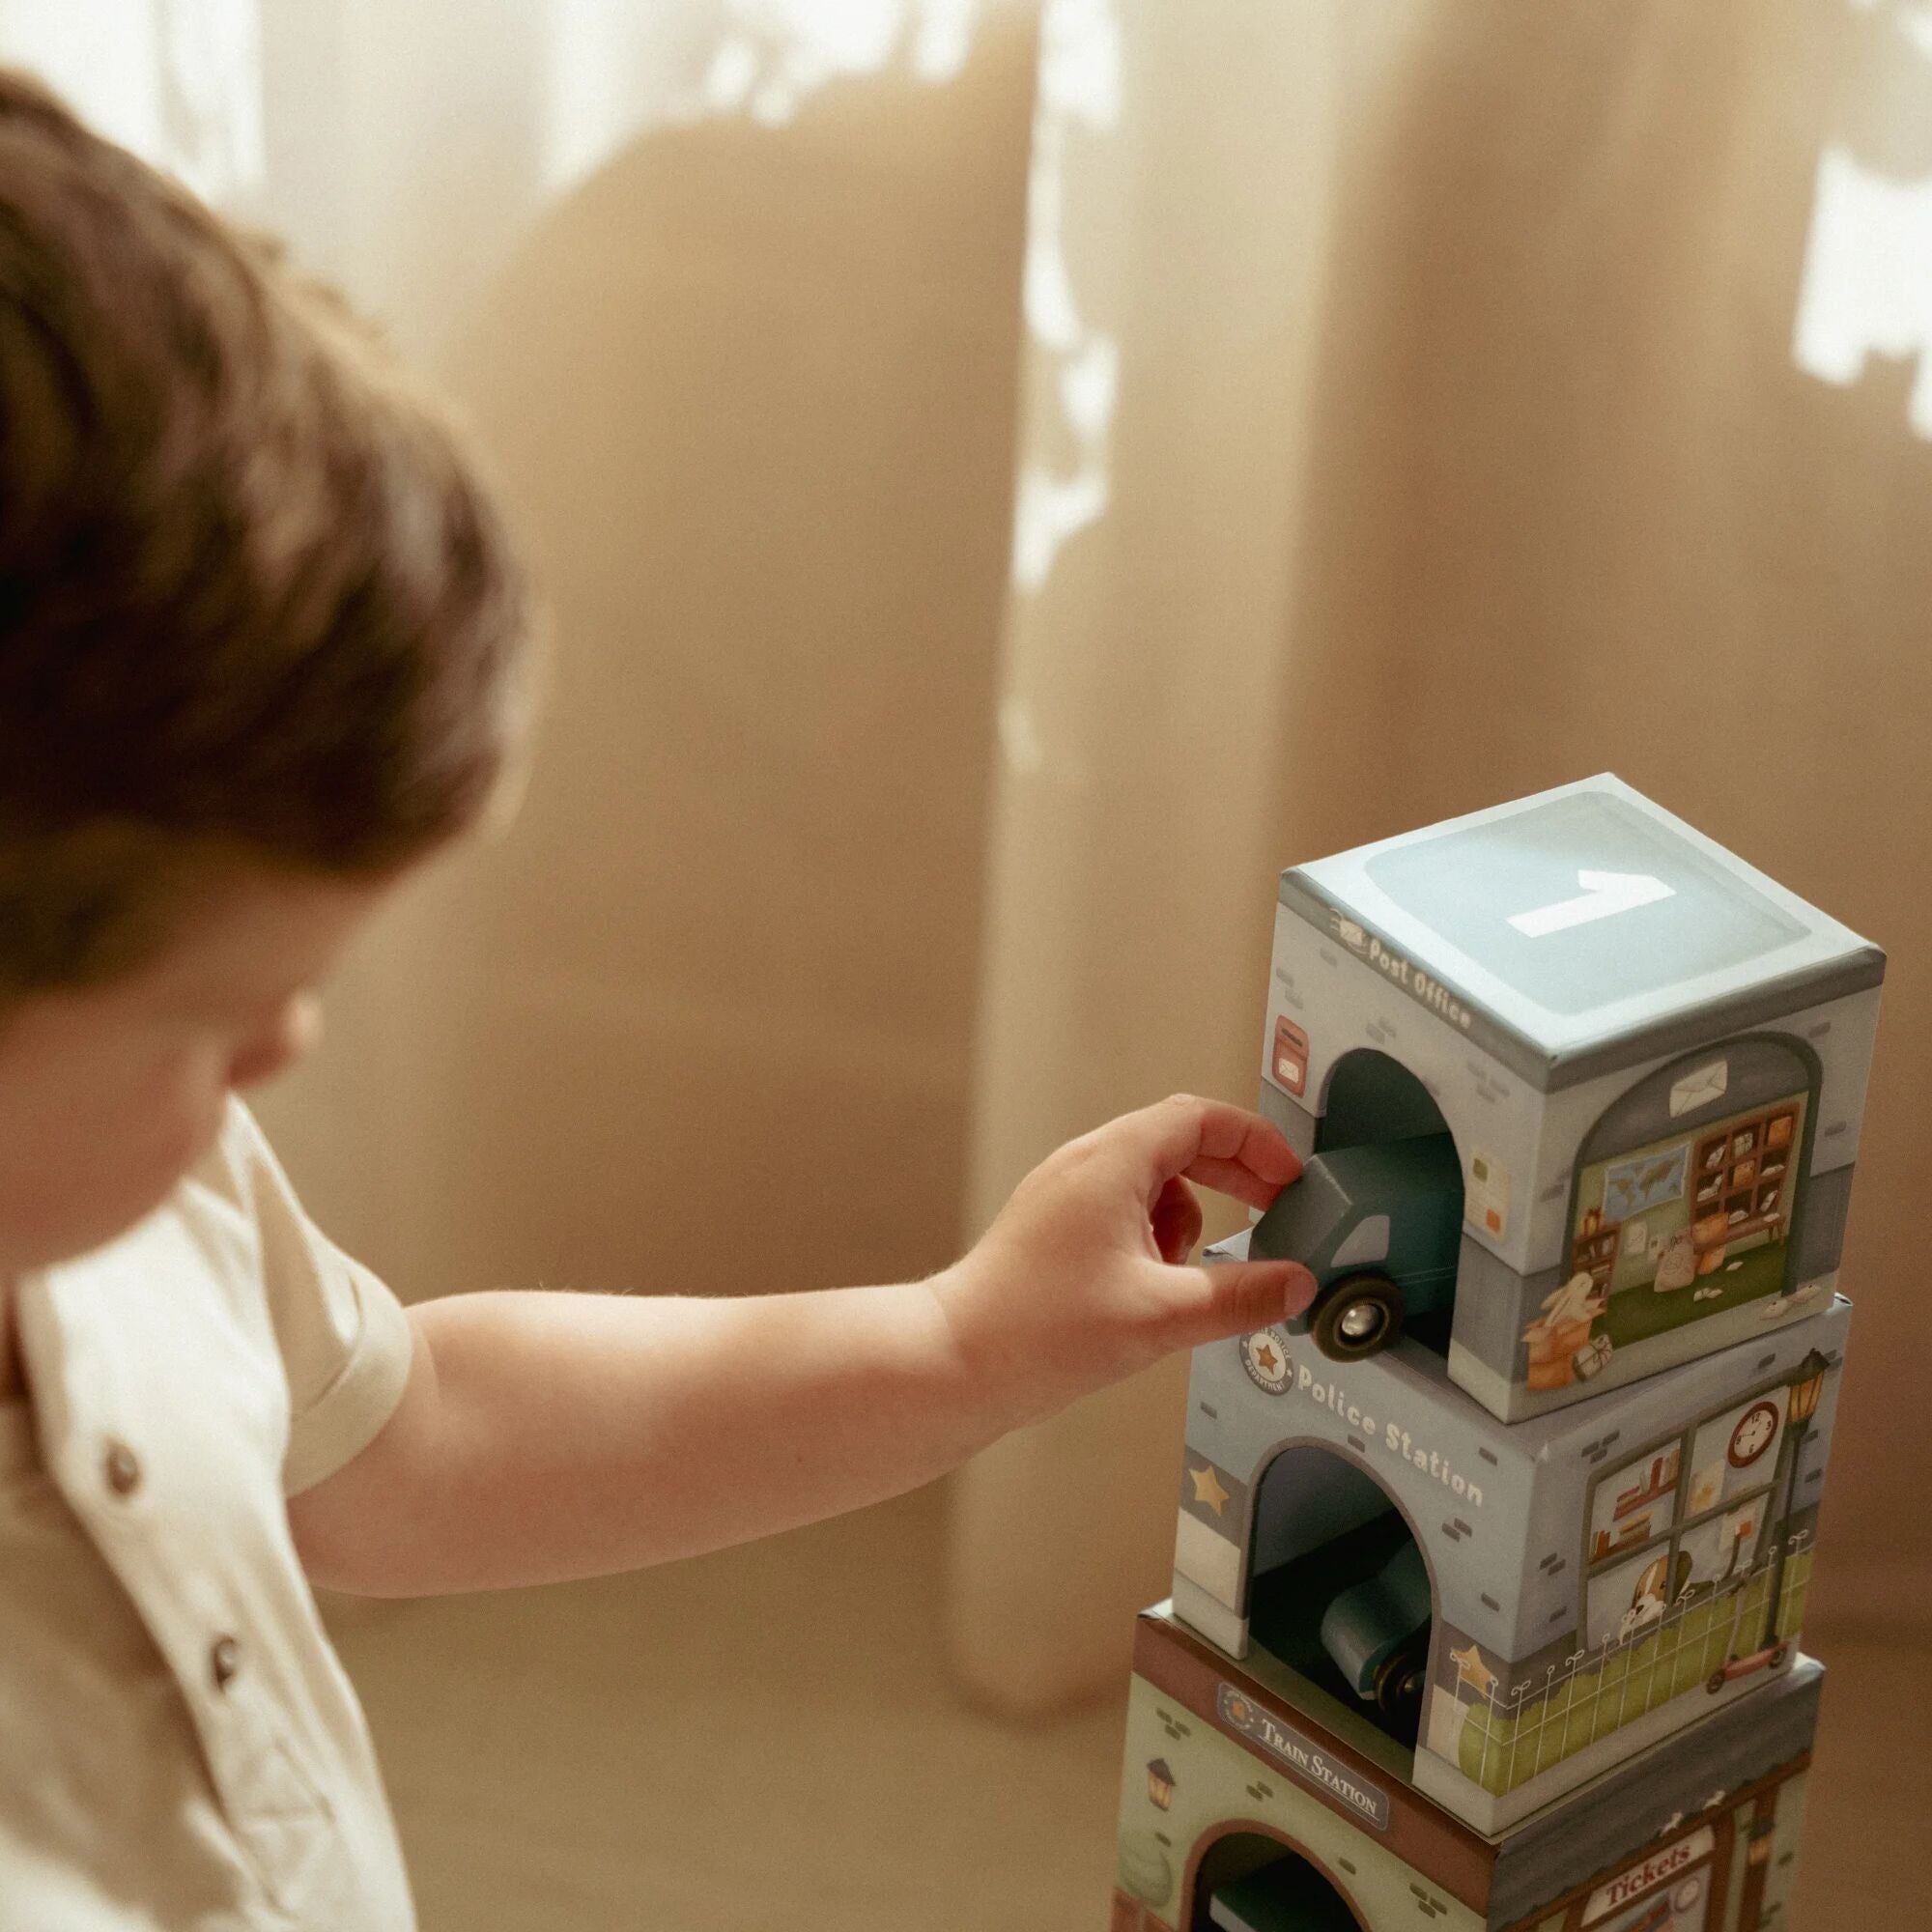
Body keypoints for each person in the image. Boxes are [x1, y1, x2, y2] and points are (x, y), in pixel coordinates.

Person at [0, 68, 1317, 1929]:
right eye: (207, 1022)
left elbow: (412, 1433)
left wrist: (963, 1344)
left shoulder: (142, 1195)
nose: (279, 1060)